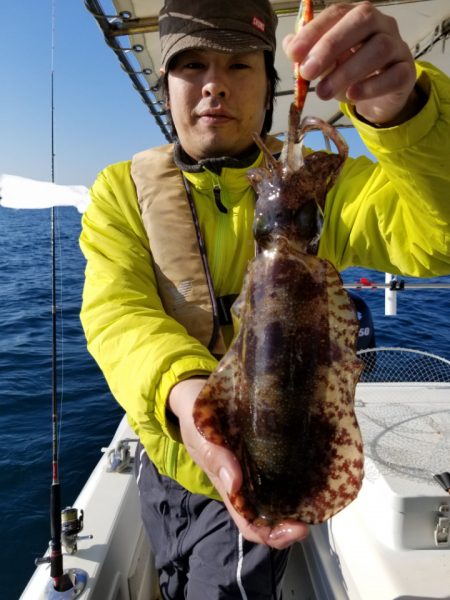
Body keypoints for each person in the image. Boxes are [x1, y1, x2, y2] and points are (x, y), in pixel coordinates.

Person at [79, 0, 450, 598]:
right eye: (192, 64)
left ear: (271, 83)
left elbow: (438, 239)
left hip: (253, 485)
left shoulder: (323, 187)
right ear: (166, 82)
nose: (214, 86)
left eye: (240, 65)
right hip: (167, 459)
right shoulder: (122, 192)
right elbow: (116, 313)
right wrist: (186, 402)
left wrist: (407, 117)